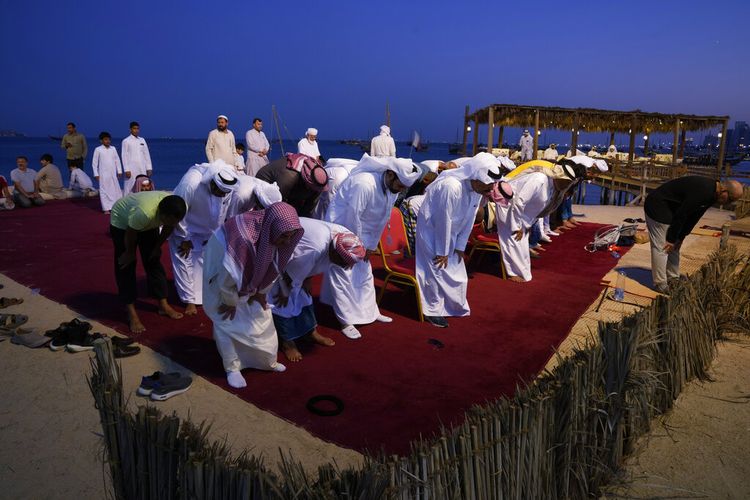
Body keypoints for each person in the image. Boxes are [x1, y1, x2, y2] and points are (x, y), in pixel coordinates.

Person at [203, 202, 303, 389]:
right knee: (226, 318)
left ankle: (266, 361)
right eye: (284, 237)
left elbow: (273, 265)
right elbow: (226, 278)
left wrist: (261, 292)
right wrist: (230, 301)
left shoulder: (273, 232)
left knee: (260, 312)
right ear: (273, 230)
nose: (287, 242)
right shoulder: (244, 239)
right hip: (223, 256)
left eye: (291, 237)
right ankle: (232, 367)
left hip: (242, 261)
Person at [322, 154, 420, 338]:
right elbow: (353, 216)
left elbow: (382, 218)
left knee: (365, 274)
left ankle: (370, 313)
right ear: (390, 174)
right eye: (400, 185)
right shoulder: (364, 183)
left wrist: (371, 246)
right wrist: (355, 248)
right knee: (344, 274)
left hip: (364, 232)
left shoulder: (393, 189)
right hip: (342, 229)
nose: (401, 190)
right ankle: (345, 321)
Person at [416, 153, 504, 327]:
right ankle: (431, 310)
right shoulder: (451, 186)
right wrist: (442, 250)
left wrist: (460, 246)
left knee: (456, 269)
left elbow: (470, 218)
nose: (491, 189)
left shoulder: (478, 189)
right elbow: (443, 219)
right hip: (432, 231)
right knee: (436, 268)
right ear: (476, 177)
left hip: (452, 232)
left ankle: (449, 306)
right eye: (489, 184)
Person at [269, 218, 366, 362]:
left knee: (305, 296)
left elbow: (310, 265)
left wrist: (307, 277)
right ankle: (287, 341)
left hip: (303, 255)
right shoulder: (314, 249)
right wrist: (285, 289)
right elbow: (290, 273)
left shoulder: (345, 238)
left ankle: (310, 332)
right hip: (281, 253)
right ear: (335, 253)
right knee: (283, 302)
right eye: (345, 263)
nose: (347, 267)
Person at [644, 177, 744, 293]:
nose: (728, 203)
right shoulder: (704, 191)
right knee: (663, 247)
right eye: (730, 199)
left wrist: (681, 237)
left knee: (674, 247)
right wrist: (671, 239)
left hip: (673, 208)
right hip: (658, 205)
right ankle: (660, 283)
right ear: (724, 191)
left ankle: (673, 278)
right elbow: (682, 214)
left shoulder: (714, 194)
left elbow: (694, 216)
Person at [109, 191, 187, 333]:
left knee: (153, 261)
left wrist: (157, 247)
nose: (175, 224)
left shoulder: (178, 209)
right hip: (122, 222)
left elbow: (169, 227)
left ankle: (163, 305)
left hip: (147, 224)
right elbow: (130, 232)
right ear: (163, 216)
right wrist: (129, 253)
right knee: (126, 266)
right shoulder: (145, 213)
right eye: (171, 221)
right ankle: (131, 313)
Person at [169, 162, 239, 316]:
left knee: (203, 261)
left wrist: (214, 234)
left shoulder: (228, 185)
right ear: (212, 182)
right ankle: (189, 300)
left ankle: (199, 294)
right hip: (185, 225)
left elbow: (222, 212)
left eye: (224, 193)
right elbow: (179, 210)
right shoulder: (192, 182)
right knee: (184, 260)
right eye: (219, 191)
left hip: (206, 230)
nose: (222, 195)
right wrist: (184, 237)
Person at [495, 164, 580, 282]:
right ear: (558, 177)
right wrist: (517, 226)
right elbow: (519, 201)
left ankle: (523, 273)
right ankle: (512, 272)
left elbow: (538, 210)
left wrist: (526, 226)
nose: (567, 185)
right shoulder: (539, 179)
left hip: (522, 216)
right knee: (512, 240)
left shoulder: (553, 188)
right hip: (509, 207)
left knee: (522, 244)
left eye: (569, 183)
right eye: (566, 182)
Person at [255, 154, 329, 217]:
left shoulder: (318, 177)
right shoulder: (289, 176)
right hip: (266, 183)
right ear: (308, 183)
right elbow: (278, 204)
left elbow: (309, 207)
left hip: (294, 185)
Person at [91, 132, 123, 213]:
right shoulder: (98, 149)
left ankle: (115, 207)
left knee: (115, 190)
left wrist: (119, 171)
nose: (108, 141)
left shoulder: (113, 149)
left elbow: (117, 160)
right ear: (101, 141)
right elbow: (94, 163)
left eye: (109, 139)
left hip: (113, 174)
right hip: (103, 174)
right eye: (105, 140)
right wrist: (96, 174)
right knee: (104, 191)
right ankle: (106, 209)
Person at [121, 121, 153, 194]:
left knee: (144, 185)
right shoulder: (126, 141)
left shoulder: (142, 140)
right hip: (131, 169)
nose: (136, 130)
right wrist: (126, 169)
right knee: (129, 187)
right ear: (130, 129)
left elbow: (146, 154)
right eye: (134, 128)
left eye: (138, 129)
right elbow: (124, 156)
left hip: (142, 168)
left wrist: (149, 168)